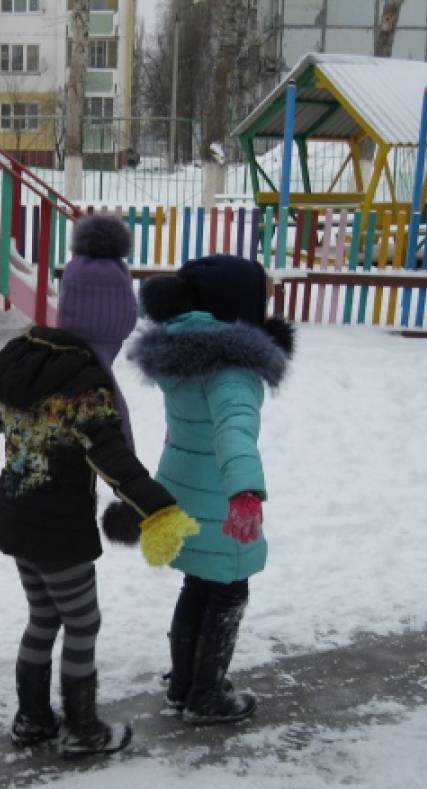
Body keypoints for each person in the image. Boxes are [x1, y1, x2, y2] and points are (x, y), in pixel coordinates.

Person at [0, 214, 198, 758]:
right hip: (59, 532)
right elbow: (113, 460)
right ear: (113, 321)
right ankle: (82, 728)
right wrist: (160, 511)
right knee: (83, 621)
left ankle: (33, 720)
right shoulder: (85, 384)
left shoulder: (30, 357)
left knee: (43, 616)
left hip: (15, 520)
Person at [129, 255, 293, 725]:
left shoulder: (185, 352)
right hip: (220, 498)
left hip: (184, 489)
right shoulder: (232, 368)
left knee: (198, 585)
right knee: (227, 592)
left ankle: (183, 685)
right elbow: (233, 430)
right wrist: (245, 492)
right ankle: (205, 694)